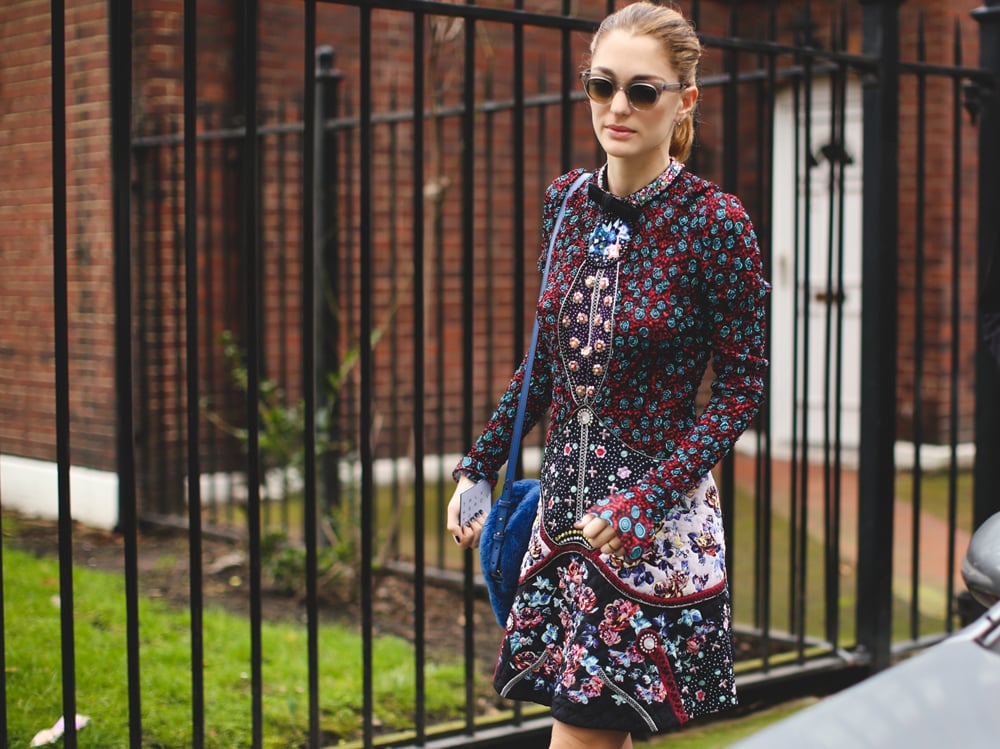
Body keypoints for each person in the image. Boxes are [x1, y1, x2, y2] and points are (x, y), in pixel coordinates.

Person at [446, 3, 769, 747]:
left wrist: (644, 502)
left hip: (646, 531)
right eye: (602, 85)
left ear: (684, 99)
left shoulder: (715, 223)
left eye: (642, 90)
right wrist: (479, 463)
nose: (618, 106)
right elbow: (547, 360)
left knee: (583, 735)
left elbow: (741, 388)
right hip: (562, 519)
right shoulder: (565, 203)